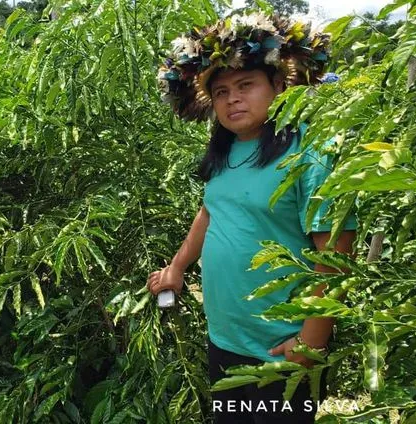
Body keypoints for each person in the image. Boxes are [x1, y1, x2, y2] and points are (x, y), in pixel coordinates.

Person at [151, 13, 357, 424]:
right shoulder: (225, 155)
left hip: (280, 349)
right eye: (222, 91)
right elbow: (211, 213)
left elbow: (335, 252)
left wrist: (312, 339)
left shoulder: (307, 155)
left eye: (246, 85)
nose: (233, 99)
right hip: (226, 341)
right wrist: (176, 267)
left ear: (279, 85)